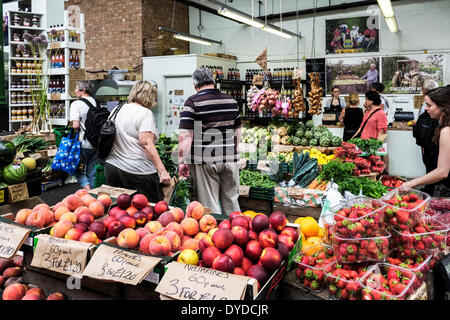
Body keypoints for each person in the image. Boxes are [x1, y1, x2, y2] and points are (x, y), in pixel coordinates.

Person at [178, 67, 242, 216]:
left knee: (209, 206)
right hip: (230, 159)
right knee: (232, 202)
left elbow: (186, 136)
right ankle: (237, 233)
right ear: (213, 81)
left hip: (205, 160)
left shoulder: (193, 102)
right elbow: (238, 129)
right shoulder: (230, 100)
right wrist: (234, 149)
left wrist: (181, 161)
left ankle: (216, 236)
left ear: (195, 85)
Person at [104, 80, 171, 202]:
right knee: (147, 211)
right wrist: (162, 172)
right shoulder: (145, 113)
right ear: (150, 97)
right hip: (138, 172)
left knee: (118, 210)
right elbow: (146, 143)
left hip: (113, 168)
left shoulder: (117, 109)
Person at [403, 86, 450, 196]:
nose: (426, 109)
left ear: (443, 107)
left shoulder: (446, 130)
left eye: (429, 105)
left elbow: (442, 172)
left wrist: (411, 183)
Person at [69, 80, 100, 190]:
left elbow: (76, 126)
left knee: (77, 170)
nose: (75, 91)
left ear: (83, 90)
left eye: (77, 88)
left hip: (82, 143)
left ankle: (88, 192)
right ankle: (93, 197)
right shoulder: (97, 103)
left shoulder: (76, 104)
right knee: (92, 173)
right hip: (96, 143)